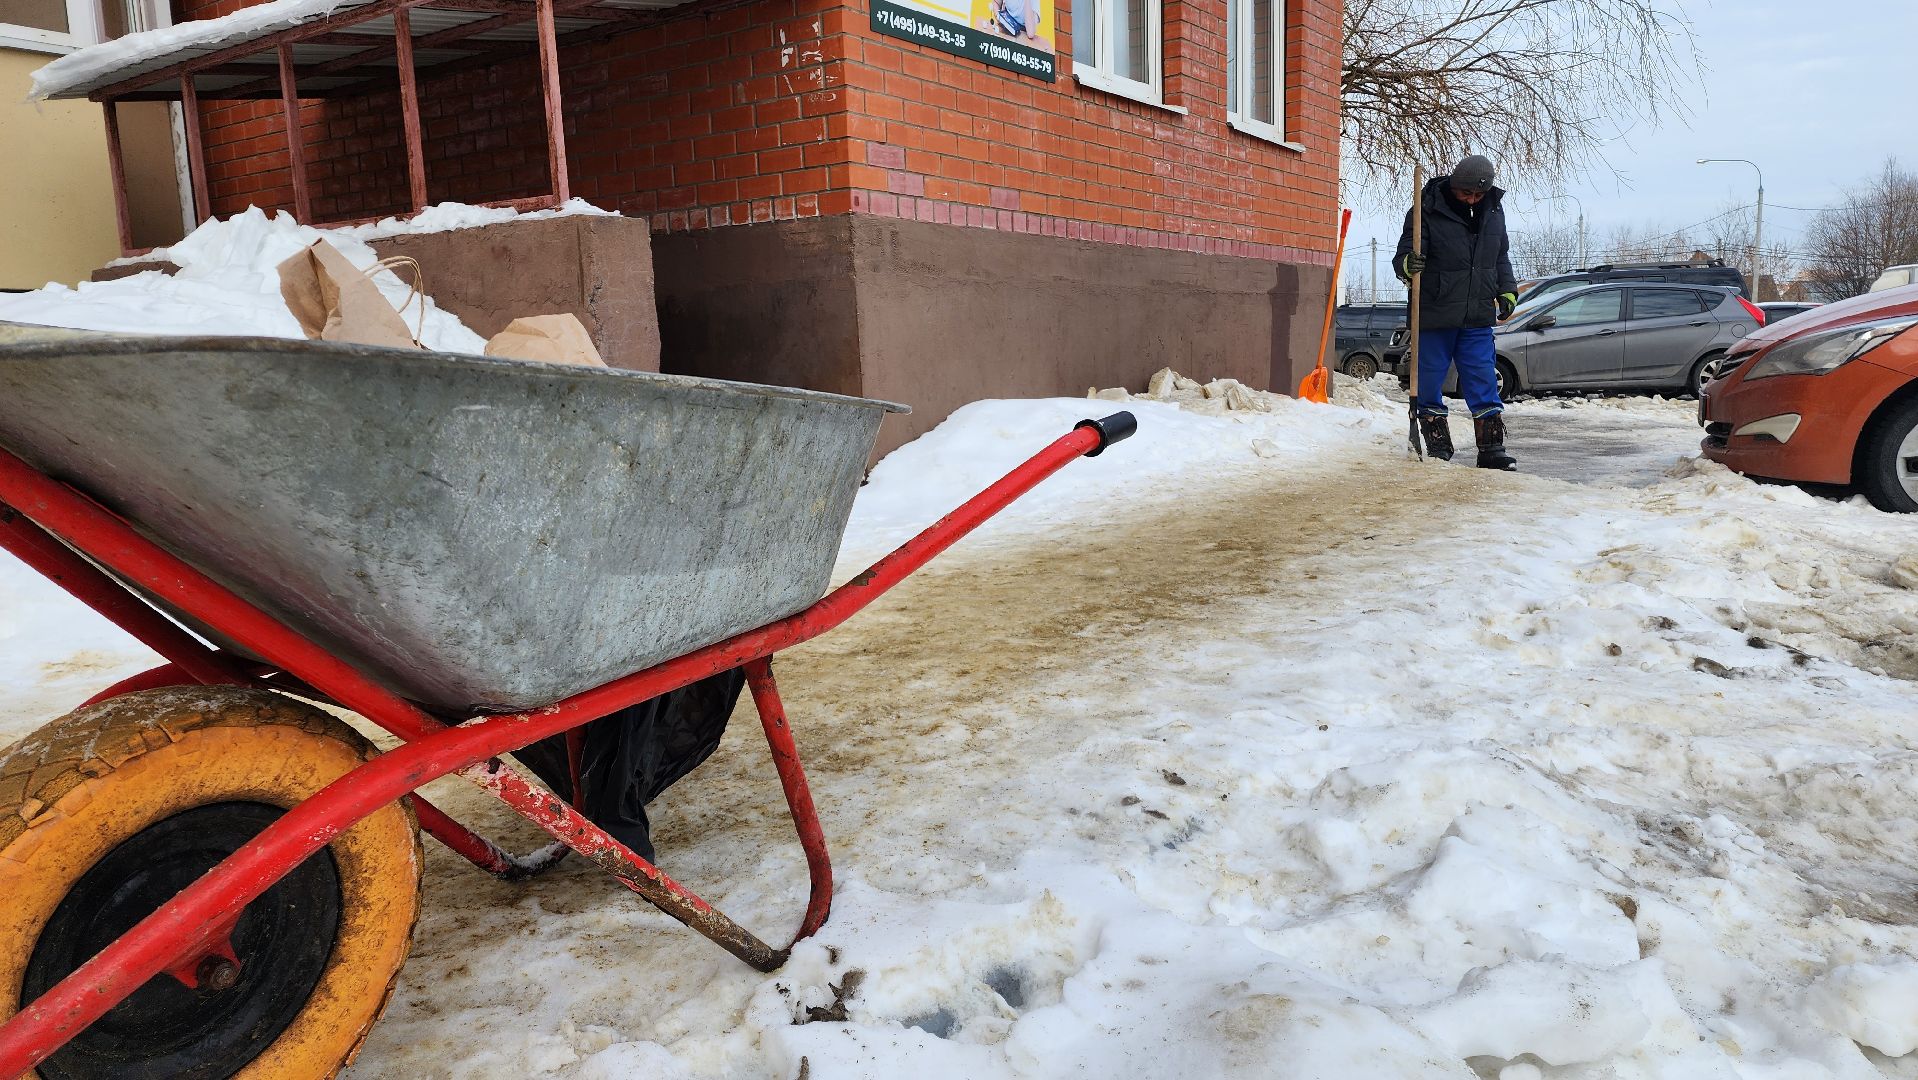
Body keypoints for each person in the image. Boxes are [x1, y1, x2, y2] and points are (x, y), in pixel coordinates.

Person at [1393, 154, 1519, 470]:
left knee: (1482, 376)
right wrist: (1408, 265)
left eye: (1477, 194)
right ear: (1453, 185)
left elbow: (1499, 257)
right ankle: (1438, 446)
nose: (1471, 198)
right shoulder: (1426, 208)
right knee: (1430, 378)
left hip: (1476, 312)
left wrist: (1507, 290)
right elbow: (1404, 254)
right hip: (1434, 312)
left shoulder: (1493, 209)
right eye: (1466, 193)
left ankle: (1491, 448)